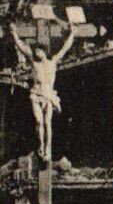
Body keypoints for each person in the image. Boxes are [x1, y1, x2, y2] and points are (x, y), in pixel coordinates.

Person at [10, 22, 75, 160]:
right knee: (39, 122)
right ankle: (41, 146)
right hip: (36, 95)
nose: (37, 53)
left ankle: (47, 149)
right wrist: (14, 33)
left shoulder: (53, 62)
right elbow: (22, 48)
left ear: (45, 51)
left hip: (48, 95)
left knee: (47, 123)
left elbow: (64, 49)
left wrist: (72, 34)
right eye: (36, 51)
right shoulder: (34, 64)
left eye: (39, 51)